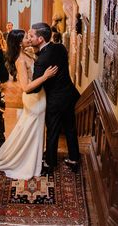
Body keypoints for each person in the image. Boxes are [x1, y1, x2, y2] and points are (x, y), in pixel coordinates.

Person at [0, 30, 58, 180]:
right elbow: (26, 87)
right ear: (19, 42)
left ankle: (34, 158)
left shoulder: (28, 53)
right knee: (30, 130)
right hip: (33, 98)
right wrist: (45, 76)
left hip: (40, 96)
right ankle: (26, 161)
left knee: (32, 130)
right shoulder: (20, 60)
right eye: (26, 37)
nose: (29, 39)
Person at [28, 22, 80, 174]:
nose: (29, 38)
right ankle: (74, 159)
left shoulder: (41, 61)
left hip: (55, 100)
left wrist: (42, 75)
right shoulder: (60, 47)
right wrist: (36, 53)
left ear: (40, 39)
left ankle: (50, 163)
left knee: (53, 131)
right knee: (70, 128)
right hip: (69, 94)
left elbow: (35, 88)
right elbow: (52, 57)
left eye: (31, 36)